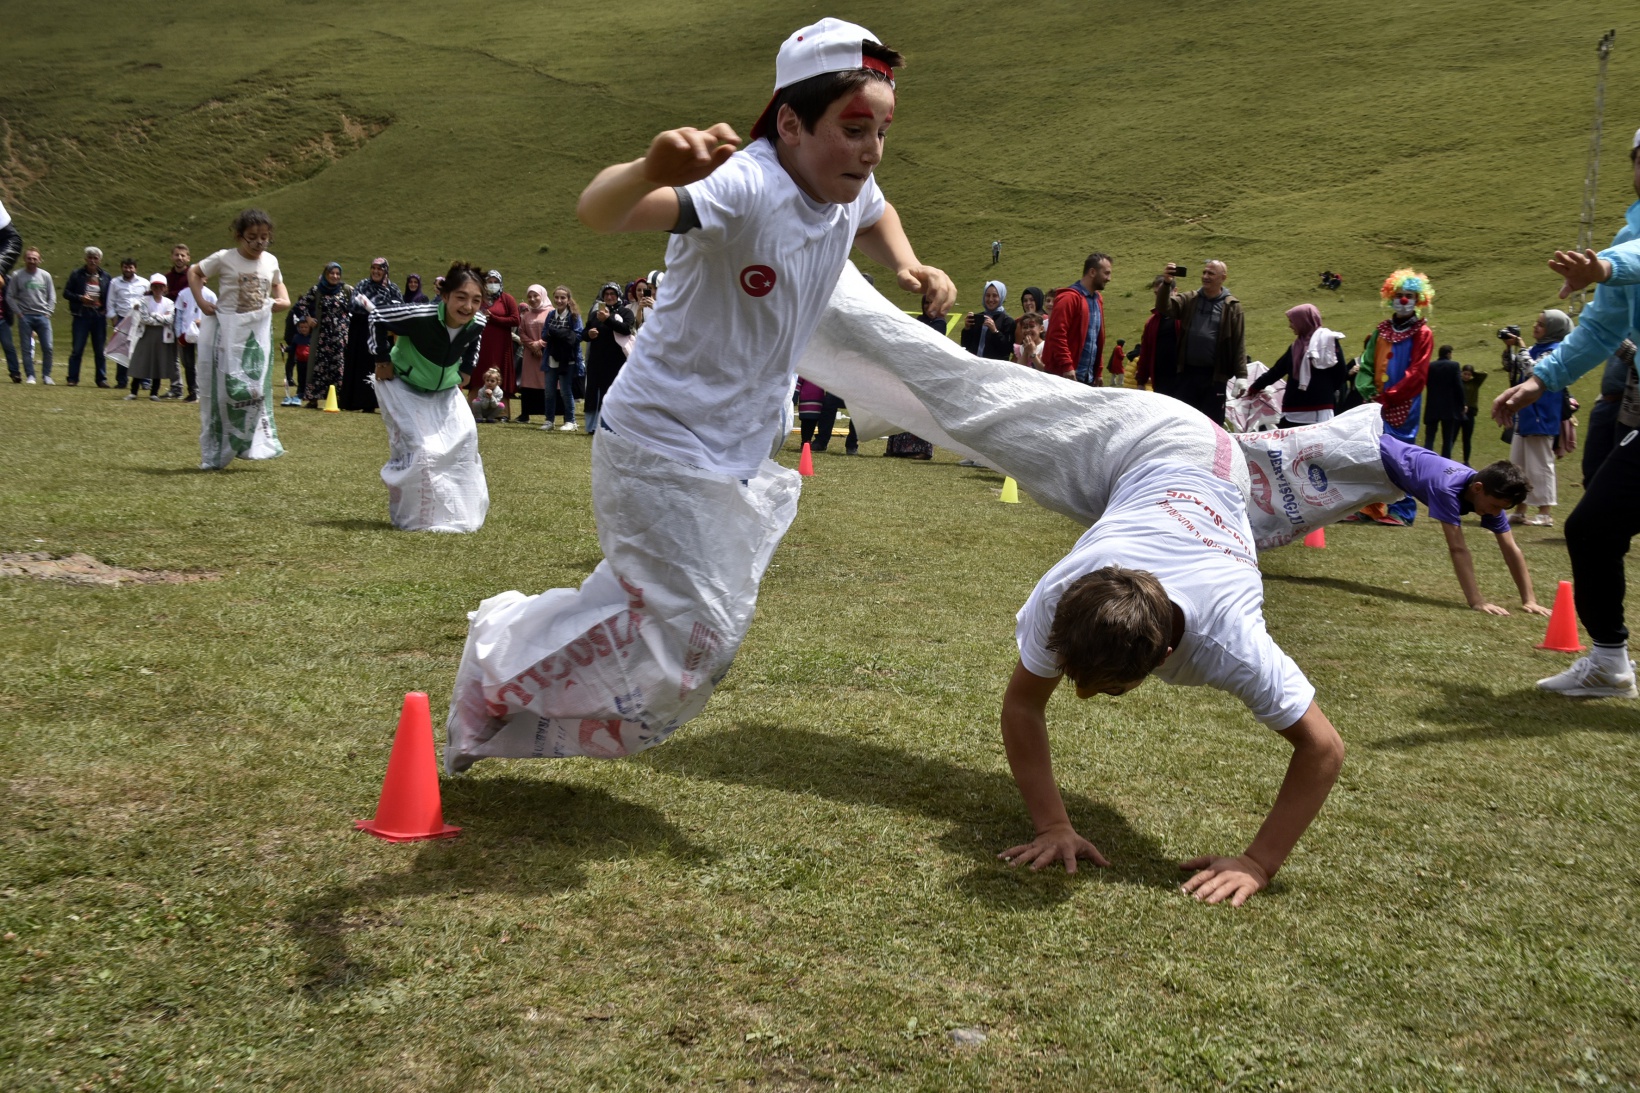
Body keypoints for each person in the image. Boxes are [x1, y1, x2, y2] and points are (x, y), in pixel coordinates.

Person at [446, 17, 955, 771]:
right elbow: (600, 212)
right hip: (660, 438)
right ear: (788, 122)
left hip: (737, 447)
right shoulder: (745, 186)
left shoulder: (846, 180)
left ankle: (507, 671)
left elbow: (877, 210)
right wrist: (650, 167)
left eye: (882, 128)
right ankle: (498, 654)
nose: (872, 149)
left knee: (693, 638)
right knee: (692, 636)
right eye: (854, 128)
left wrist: (910, 265)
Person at [791, 267, 1334, 905]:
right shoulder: (1063, 593)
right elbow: (1024, 704)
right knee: (975, 399)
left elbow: (1323, 750)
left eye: (1099, 687)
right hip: (1144, 444)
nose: (1073, 693)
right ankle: (807, 291)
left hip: (1200, 458)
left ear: (1166, 657)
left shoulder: (1230, 641)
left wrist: (1257, 863)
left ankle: (827, 319)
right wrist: (1053, 825)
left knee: (975, 405)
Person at [1490, 125, 1640, 698]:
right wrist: (1538, 382)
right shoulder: (1630, 232)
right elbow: (1603, 326)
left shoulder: (1624, 248)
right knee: (1594, 527)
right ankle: (1610, 662)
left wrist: (1603, 268)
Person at [367, 261, 490, 532]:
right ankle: (415, 517)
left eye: (476, 300)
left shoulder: (478, 320)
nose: (468, 306)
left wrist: (468, 369)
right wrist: (382, 359)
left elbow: (476, 338)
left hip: (445, 389)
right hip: (405, 384)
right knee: (422, 452)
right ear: (445, 295)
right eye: (461, 297)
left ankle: (460, 515)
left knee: (467, 437)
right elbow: (376, 317)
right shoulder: (419, 315)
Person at [187, 208, 289, 469]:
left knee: (254, 392)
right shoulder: (225, 258)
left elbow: (277, 283)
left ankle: (248, 445)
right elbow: (194, 272)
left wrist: (283, 299)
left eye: (264, 237)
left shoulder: (270, 261)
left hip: (256, 335)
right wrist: (201, 301)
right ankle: (215, 453)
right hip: (227, 334)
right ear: (238, 235)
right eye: (252, 237)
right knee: (224, 393)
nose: (259, 242)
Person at [1347, 269, 1434, 525]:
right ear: (1390, 297)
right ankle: (1369, 507)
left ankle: (1403, 511)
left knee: (1400, 455)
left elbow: (1418, 373)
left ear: (1419, 299)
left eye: (1409, 296)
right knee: (1370, 451)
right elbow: (1367, 364)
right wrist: (1367, 390)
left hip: (1403, 404)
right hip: (1376, 402)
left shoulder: (1422, 333)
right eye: (1399, 295)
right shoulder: (1381, 330)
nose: (1404, 300)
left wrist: (1392, 396)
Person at [1154, 259, 1247, 424]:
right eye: (1204, 272)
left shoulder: (1232, 306)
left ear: (1223, 278)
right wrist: (1167, 283)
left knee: (1212, 424)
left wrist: (1241, 376)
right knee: (1185, 422)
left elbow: (1238, 342)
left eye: (1211, 273)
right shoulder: (1190, 298)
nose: (1205, 276)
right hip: (1187, 375)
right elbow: (1164, 307)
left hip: (1214, 378)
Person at [1502, 311, 1569, 526]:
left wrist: (1521, 347)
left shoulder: (1555, 352)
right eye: (1536, 322)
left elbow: (1533, 371)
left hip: (1542, 414)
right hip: (1525, 415)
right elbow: (1514, 367)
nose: (1535, 327)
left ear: (1553, 329)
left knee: (1540, 464)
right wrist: (1509, 348)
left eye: (1541, 324)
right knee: (1519, 464)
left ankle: (1545, 512)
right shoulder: (1535, 349)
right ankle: (1520, 509)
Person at [1246, 304, 1346, 427]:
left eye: (1292, 321)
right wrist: (1254, 387)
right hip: (1292, 410)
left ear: (1303, 321)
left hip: (1319, 408)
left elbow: (1341, 373)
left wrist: (1324, 390)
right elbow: (1277, 371)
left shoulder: (1329, 342)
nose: (1290, 326)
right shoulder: (1295, 348)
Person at [340, 258, 400, 412]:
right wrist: (371, 307)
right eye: (373, 268)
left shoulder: (392, 288)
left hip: (382, 332)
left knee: (378, 364)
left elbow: (399, 306)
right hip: (361, 331)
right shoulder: (362, 285)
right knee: (359, 364)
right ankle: (354, 402)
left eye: (379, 269)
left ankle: (375, 403)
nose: (376, 271)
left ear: (385, 271)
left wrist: (376, 307)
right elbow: (352, 304)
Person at [1043, 253, 1110, 383]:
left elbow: (1096, 339)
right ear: (1092, 272)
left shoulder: (1097, 300)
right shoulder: (1069, 298)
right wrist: (1067, 365)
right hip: (1064, 376)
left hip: (1087, 378)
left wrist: (1098, 371)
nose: (1109, 278)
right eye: (1106, 273)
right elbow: (1056, 334)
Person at [294, 263, 350, 409]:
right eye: (332, 273)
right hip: (322, 336)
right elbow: (300, 305)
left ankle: (339, 399)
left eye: (338, 273)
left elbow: (356, 306)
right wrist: (308, 319)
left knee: (339, 367)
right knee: (319, 367)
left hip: (340, 335)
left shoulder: (345, 290)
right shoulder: (317, 290)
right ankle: (313, 399)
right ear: (326, 274)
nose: (335, 276)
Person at [580, 281, 633, 434]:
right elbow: (585, 332)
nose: (609, 297)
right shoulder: (596, 313)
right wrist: (588, 335)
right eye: (607, 294)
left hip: (615, 362)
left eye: (612, 294)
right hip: (596, 361)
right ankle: (592, 426)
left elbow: (626, 330)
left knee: (610, 394)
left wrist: (608, 320)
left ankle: (609, 426)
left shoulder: (625, 312)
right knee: (593, 393)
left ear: (618, 296)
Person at [1582, 342, 1637, 484]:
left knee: (1622, 470)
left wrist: (1617, 341)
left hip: (1631, 409)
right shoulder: (1623, 325)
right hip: (1605, 403)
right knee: (1592, 469)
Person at [467, 270, 518, 408]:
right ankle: (473, 408)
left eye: (496, 282)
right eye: (489, 282)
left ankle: (501, 411)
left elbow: (515, 319)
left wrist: (494, 318)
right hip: (480, 342)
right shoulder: (479, 298)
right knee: (478, 372)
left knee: (499, 371)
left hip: (501, 344)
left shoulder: (507, 299)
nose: (492, 285)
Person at [6, 247, 56, 384]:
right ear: (24, 259)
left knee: (48, 347)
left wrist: (48, 313)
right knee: (26, 348)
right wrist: (19, 314)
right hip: (25, 317)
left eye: (34, 258)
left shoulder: (45, 276)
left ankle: (46, 375)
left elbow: (52, 296)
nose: (32, 261)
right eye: (29, 258)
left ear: (39, 260)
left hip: (42, 316)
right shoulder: (17, 275)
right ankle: (31, 376)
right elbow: (10, 296)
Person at [64, 247, 112, 387]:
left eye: (95, 258)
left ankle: (101, 379)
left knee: (99, 349)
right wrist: (80, 298)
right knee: (77, 348)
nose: (92, 260)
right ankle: (72, 378)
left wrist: (105, 309)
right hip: (81, 315)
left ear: (100, 260)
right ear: (85, 259)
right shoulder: (76, 274)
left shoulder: (106, 276)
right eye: (90, 257)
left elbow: (110, 296)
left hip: (98, 316)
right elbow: (66, 293)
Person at [125, 273, 177, 400]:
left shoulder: (169, 303)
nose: (158, 289)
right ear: (151, 288)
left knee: (157, 363)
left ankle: (154, 392)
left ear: (165, 288)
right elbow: (144, 319)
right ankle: (133, 391)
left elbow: (170, 319)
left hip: (161, 336)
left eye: (160, 287)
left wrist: (154, 315)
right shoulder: (144, 301)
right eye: (155, 286)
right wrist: (160, 318)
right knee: (140, 361)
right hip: (146, 335)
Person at [542, 285, 583, 430]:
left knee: (566, 390)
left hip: (568, 359)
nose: (559, 300)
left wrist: (559, 334)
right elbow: (544, 334)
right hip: (552, 357)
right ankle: (549, 420)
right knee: (549, 391)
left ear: (568, 299)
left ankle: (571, 421)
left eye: (563, 298)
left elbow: (578, 335)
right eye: (557, 297)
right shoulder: (551, 315)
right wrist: (559, 334)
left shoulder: (574, 316)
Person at [103, 257, 147, 389]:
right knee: (122, 350)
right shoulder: (115, 282)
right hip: (122, 319)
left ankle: (144, 381)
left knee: (141, 350)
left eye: (131, 267)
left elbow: (149, 300)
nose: (128, 270)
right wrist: (114, 318)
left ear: (135, 268)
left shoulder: (144, 283)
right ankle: (122, 381)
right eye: (125, 267)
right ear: (122, 268)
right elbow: (110, 302)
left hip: (140, 320)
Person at [1138, 275, 1181, 398]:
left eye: (1164, 292)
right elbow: (1145, 352)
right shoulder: (1152, 322)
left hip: (1183, 380)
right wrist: (1141, 381)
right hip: (1160, 380)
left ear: (1175, 291)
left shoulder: (1184, 317)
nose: (1160, 296)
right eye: (1157, 293)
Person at [1419, 345, 1466, 457]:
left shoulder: (1430, 366)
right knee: (1447, 439)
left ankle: (1426, 459)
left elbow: (1427, 383)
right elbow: (1459, 386)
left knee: (1429, 438)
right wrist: (1462, 403)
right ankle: (1445, 461)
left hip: (1432, 405)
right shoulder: (1454, 366)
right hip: (1449, 407)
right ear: (1448, 353)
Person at [516, 284, 551, 424]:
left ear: (542, 295)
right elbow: (521, 332)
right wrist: (532, 345)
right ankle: (525, 414)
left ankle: (550, 413)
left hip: (546, 353)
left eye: (535, 295)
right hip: (530, 355)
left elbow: (552, 331)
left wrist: (540, 344)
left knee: (547, 383)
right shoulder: (526, 315)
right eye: (529, 296)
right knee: (528, 382)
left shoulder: (551, 312)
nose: (532, 299)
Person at [959, 280, 1014, 361]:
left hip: (994, 368)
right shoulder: (978, 317)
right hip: (974, 365)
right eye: (987, 295)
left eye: (995, 295)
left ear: (1001, 297)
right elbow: (965, 345)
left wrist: (995, 332)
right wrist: (967, 329)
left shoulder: (1008, 321)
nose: (991, 299)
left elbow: (1006, 350)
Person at [1458, 362, 1487, 466]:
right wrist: (1459, 373)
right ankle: (1447, 457)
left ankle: (1466, 461)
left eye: (1468, 374)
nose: (1466, 376)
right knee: (1452, 436)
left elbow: (1484, 375)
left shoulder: (1475, 383)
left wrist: (1473, 372)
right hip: (1458, 412)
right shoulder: (1457, 382)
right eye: (1464, 374)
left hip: (1470, 413)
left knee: (1467, 438)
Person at [280, 305, 309, 406]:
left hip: (309, 362)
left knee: (307, 378)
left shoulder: (311, 338)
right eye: (301, 327)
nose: (304, 329)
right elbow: (292, 348)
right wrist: (285, 349)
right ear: (298, 328)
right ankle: (299, 393)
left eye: (306, 327)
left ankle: (306, 394)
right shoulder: (297, 337)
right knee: (300, 378)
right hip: (300, 361)